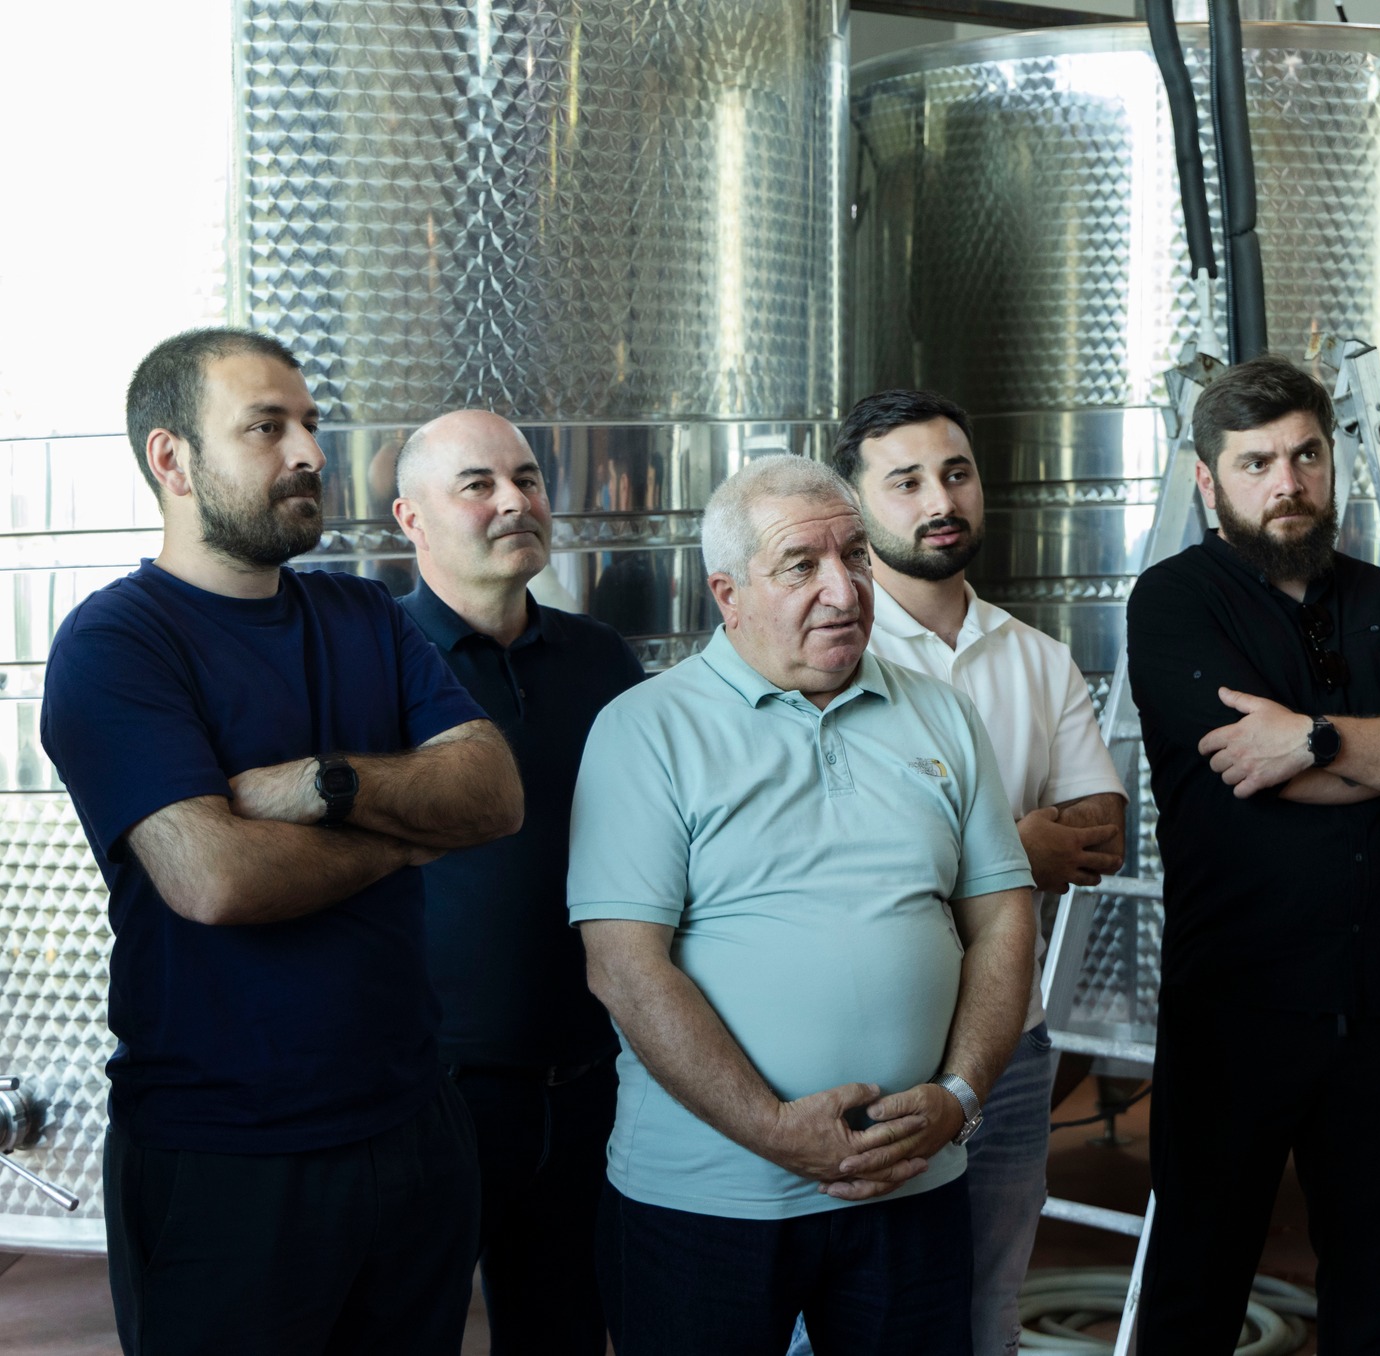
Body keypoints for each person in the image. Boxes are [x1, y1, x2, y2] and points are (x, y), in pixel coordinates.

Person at [40, 329, 525, 1356]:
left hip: (412, 1129)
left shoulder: (363, 614)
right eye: (267, 428)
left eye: (310, 425)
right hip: (225, 1159)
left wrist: (326, 785)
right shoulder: (116, 644)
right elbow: (214, 879)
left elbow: (491, 795)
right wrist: (407, 837)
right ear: (172, 460)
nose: (309, 452)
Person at [568, 454, 1038, 1356]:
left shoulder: (941, 714)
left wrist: (960, 1095)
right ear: (728, 594)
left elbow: (1003, 919)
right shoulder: (647, 729)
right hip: (707, 1201)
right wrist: (774, 1131)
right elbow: (624, 965)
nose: (844, 589)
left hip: (912, 1183)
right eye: (800, 565)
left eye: (854, 555)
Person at [1125, 355, 1380, 1354]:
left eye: (1305, 456)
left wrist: (1313, 738)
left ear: (1331, 462)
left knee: (1372, 1290)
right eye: (1256, 464)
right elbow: (1248, 769)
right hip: (1236, 997)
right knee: (1195, 1289)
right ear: (1209, 482)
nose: (1287, 483)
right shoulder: (1172, 600)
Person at [796, 389, 1125, 1356]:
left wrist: (955, 858)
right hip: (862, 1048)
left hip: (1010, 1048)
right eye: (906, 482)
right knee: (841, 1318)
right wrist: (1016, 849)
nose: (941, 500)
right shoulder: (825, 656)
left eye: (957, 474)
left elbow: (1100, 834)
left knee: (988, 1311)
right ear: (854, 506)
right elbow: (830, 864)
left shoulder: (1038, 658)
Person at [391, 410, 645, 1356]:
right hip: (428, 1092)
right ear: (410, 518)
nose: (515, 501)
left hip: (588, 1080)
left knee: (566, 1334)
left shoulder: (600, 658)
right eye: (479, 485)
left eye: (528, 479)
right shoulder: (374, 659)